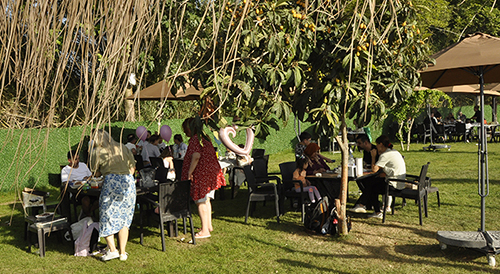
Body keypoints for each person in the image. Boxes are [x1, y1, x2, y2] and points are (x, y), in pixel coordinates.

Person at [90, 129, 136, 261]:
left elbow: (96, 173)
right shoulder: (122, 147)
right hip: (128, 182)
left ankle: (113, 250)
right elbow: (132, 168)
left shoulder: (97, 151)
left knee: (107, 215)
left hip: (111, 183)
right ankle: (123, 253)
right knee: (125, 218)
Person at [181, 118, 226, 239]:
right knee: (206, 200)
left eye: (186, 129)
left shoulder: (195, 139)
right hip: (210, 173)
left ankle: (205, 230)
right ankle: (208, 225)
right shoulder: (205, 138)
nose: (185, 132)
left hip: (202, 174)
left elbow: (196, 156)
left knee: (200, 201)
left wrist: (190, 172)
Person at [351, 135, 406, 219]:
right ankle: (364, 205)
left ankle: (365, 206)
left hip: (393, 184)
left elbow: (374, 169)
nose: (376, 146)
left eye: (377, 144)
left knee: (371, 186)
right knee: (371, 183)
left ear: (380, 144)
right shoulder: (394, 151)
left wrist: (373, 156)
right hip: (400, 182)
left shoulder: (385, 155)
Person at [61, 150, 97, 219]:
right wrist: (77, 182)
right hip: (76, 192)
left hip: (89, 189)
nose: (77, 161)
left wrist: (88, 177)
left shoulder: (83, 165)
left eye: (78, 159)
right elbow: (65, 183)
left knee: (100, 198)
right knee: (86, 200)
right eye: (75, 159)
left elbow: (91, 176)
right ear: (69, 160)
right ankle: (89, 216)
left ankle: (86, 214)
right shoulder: (65, 170)